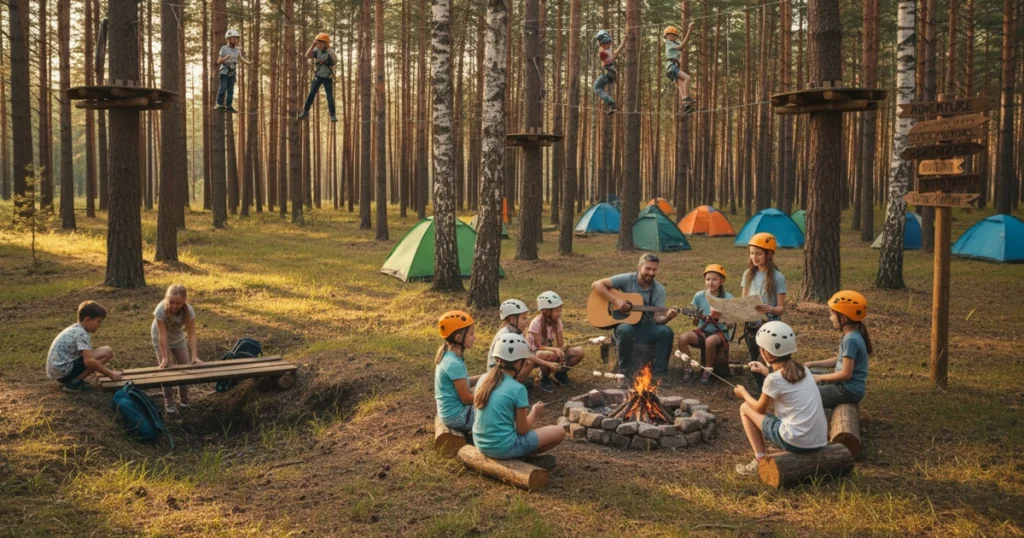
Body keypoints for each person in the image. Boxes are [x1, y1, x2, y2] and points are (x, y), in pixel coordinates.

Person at [732, 321, 827, 476]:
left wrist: (743, 393)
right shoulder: (803, 369)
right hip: (818, 439)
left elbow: (759, 409)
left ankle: (759, 460)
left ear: (764, 351)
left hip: (795, 441)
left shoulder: (773, 380)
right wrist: (766, 371)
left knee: (744, 408)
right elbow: (783, 381)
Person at [472, 334, 566, 460]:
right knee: (560, 432)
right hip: (502, 448)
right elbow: (523, 430)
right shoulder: (518, 388)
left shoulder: (484, 379)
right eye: (525, 361)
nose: (527, 363)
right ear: (518, 363)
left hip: (480, 443)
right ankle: (524, 457)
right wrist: (534, 412)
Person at [591, 253, 677, 383]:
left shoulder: (659, 290)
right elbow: (596, 285)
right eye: (648, 268)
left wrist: (668, 317)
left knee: (666, 332)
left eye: (654, 269)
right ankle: (625, 374)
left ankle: (659, 375)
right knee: (626, 329)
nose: (651, 272)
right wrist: (616, 301)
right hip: (625, 325)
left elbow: (658, 318)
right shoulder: (627, 279)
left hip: (646, 328)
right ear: (639, 267)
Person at [805, 290, 872, 408]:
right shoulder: (851, 335)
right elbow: (840, 359)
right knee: (806, 374)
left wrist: (820, 378)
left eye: (832, 314)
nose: (830, 318)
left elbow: (846, 374)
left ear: (843, 319)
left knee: (805, 395)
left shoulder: (851, 340)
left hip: (847, 390)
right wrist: (811, 364)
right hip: (843, 385)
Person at [741, 232, 787, 395]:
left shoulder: (777, 277)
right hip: (751, 323)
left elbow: (781, 308)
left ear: (769, 254)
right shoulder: (748, 274)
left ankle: (770, 386)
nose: (754, 257)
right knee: (753, 355)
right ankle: (758, 386)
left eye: (758, 253)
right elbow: (743, 300)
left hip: (769, 324)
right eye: (752, 253)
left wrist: (770, 309)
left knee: (766, 357)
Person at [46, 301, 122, 393]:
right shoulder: (81, 334)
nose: (100, 325)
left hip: (58, 372)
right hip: (64, 373)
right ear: (88, 319)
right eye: (98, 322)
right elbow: (88, 361)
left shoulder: (75, 328)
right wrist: (110, 374)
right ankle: (74, 383)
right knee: (107, 352)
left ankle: (73, 381)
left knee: (104, 351)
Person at [678, 264, 734, 385]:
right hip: (702, 331)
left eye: (714, 279)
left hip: (719, 333)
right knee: (683, 338)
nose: (711, 282)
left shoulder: (728, 297)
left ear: (722, 281)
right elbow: (695, 323)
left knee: (710, 341)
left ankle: (707, 371)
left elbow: (731, 324)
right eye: (708, 279)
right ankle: (688, 368)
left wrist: (720, 317)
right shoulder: (699, 296)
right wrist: (695, 318)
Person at [152, 284, 202, 416]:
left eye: (178, 303)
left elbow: (192, 334)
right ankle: (169, 402)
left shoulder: (189, 311)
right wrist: (165, 357)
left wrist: (194, 356)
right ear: (167, 300)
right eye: (171, 302)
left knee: (185, 367)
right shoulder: (160, 310)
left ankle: (185, 400)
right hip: (161, 337)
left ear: (184, 301)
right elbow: (163, 336)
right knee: (167, 369)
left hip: (178, 337)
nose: (174, 306)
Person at [488, 299, 559, 390]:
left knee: (532, 362)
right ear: (512, 319)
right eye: (524, 318)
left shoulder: (517, 331)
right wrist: (548, 364)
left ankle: (517, 381)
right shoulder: (506, 335)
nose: (527, 321)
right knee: (529, 362)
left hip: (509, 367)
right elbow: (528, 355)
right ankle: (513, 386)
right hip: (497, 373)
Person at [529, 291, 585, 392]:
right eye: (557, 311)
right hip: (535, 355)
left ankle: (560, 373)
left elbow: (560, 344)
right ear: (546, 311)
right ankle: (544, 378)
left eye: (560, 310)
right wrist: (555, 349)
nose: (560, 313)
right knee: (551, 354)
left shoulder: (557, 322)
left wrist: (564, 349)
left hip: (549, 352)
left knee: (579, 351)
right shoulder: (535, 323)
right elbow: (538, 346)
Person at [434, 310, 480, 434]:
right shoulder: (453, 363)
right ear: (459, 337)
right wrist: (490, 395)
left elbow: (463, 382)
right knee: (501, 408)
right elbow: (466, 398)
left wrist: (485, 377)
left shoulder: (451, 355)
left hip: (452, 413)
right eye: (471, 334)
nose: (474, 337)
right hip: (457, 416)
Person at [298, 33, 339, 122]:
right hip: (318, 76)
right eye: (317, 43)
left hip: (328, 77)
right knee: (311, 94)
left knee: (329, 96)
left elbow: (335, 60)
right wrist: (312, 46)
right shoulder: (316, 50)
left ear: (325, 43)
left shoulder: (330, 51)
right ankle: (305, 112)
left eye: (319, 43)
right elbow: (307, 56)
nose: (318, 44)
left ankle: (333, 115)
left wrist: (326, 59)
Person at [215, 29, 251, 113]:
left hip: (232, 71)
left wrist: (249, 63)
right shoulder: (224, 48)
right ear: (228, 39)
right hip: (224, 70)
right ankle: (219, 104)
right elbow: (218, 61)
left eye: (236, 39)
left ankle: (229, 106)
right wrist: (225, 58)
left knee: (231, 89)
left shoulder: (237, 50)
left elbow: (241, 59)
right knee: (223, 87)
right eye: (233, 38)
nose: (235, 40)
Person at [663, 23, 696, 112]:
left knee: (681, 83)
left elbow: (684, 43)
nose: (671, 37)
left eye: (673, 36)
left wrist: (689, 33)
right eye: (669, 35)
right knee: (687, 78)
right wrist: (689, 30)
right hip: (671, 66)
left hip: (671, 68)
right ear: (666, 37)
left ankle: (686, 105)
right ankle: (687, 98)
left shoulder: (675, 43)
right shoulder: (668, 43)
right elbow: (681, 46)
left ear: (676, 37)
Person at [593, 30, 626, 116]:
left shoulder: (604, 53)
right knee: (597, 87)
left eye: (604, 44)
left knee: (597, 87)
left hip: (609, 75)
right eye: (602, 45)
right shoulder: (607, 49)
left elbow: (614, 55)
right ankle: (611, 104)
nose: (603, 46)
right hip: (610, 74)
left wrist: (623, 44)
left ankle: (611, 103)